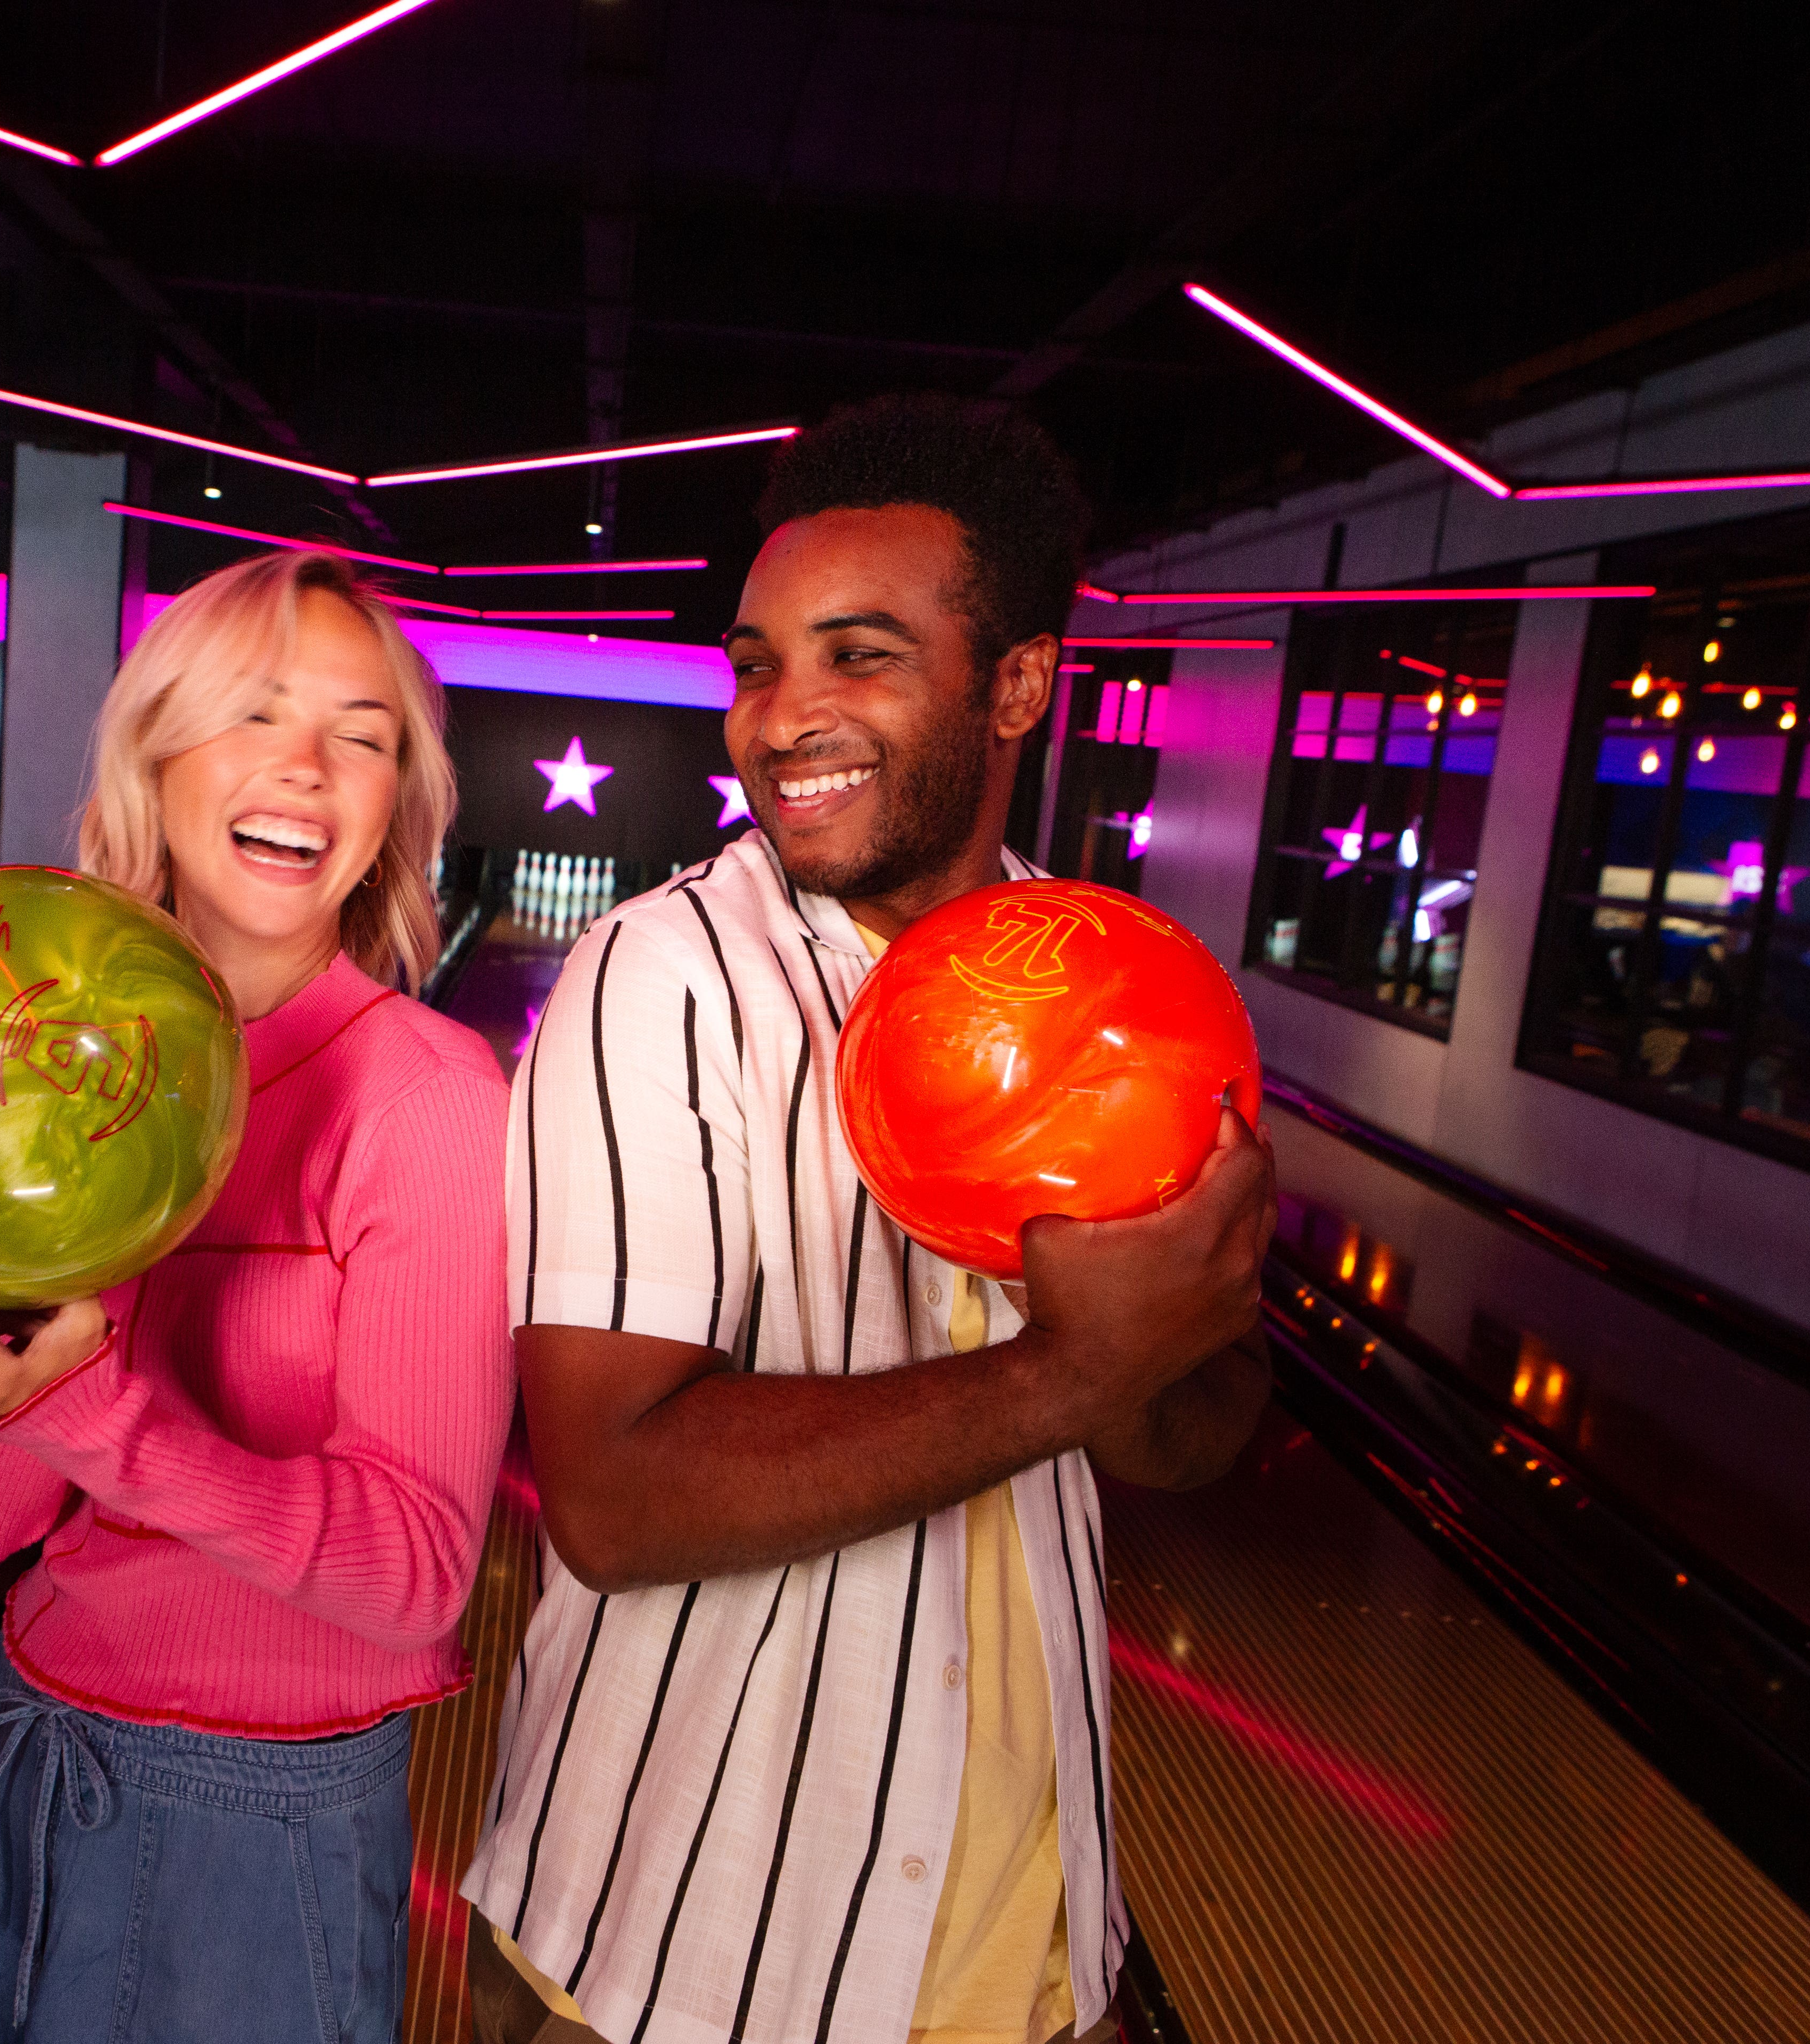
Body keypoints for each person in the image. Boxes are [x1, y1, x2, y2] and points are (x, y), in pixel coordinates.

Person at [461, 395, 1276, 2044]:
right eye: (760, 663)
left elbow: (1183, 1438)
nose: (782, 717)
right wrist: (1065, 1370)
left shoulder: (1121, 999)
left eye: (861, 656)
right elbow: (613, 1498)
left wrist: (1177, 1338)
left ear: (1021, 686)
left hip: (1030, 1957)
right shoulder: (667, 976)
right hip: (680, 1962)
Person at [0, 549, 516, 2044]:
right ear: (155, 757)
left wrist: (91, 1411)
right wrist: (2, 1396)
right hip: (28, 1738)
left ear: (394, 803)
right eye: (252, 713)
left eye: (362, 735)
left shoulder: (426, 1100)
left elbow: (421, 1573)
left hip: (258, 1819)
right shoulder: (50, 1065)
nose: (305, 765)